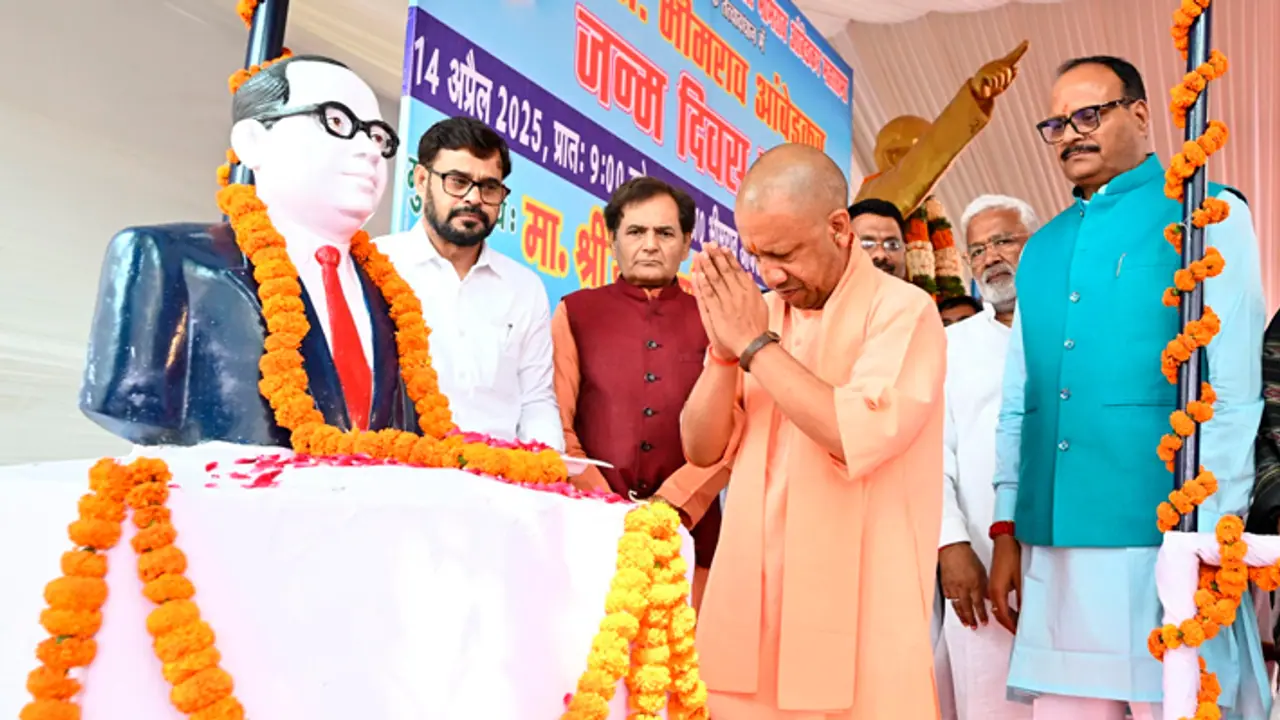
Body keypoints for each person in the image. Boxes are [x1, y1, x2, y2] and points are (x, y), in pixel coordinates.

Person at [986, 56, 1268, 719]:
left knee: (1172, 703)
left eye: (1089, 115)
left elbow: (1233, 390)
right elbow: (1019, 400)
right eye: (1056, 123)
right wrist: (1005, 528)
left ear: (1140, 115)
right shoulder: (1042, 248)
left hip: (1161, 534)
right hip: (1053, 541)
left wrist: (1209, 535)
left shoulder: (1208, 214)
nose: (1070, 134)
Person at [675, 143, 946, 719]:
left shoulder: (904, 311)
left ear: (839, 227)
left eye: (785, 253)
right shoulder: (763, 313)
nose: (771, 274)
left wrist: (751, 345)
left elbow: (852, 435)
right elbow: (700, 449)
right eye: (756, 255)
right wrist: (723, 355)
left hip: (857, 622)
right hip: (751, 616)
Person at [80, 55, 418, 446]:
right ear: (253, 142)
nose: (370, 150)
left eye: (377, 136)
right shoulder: (167, 259)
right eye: (337, 121)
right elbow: (131, 407)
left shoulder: (393, 299)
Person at [551, 176, 727, 608]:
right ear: (612, 240)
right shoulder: (575, 312)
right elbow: (555, 418)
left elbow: (733, 428)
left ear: (687, 243)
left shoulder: (717, 320)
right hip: (590, 525)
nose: (650, 244)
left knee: (679, 667)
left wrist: (672, 504)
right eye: (636, 232)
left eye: (665, 233)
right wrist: (602, 499)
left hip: (691, 537)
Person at [375, 118, 562, 449]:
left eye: (489, 187)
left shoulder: (524, 287)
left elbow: (536, 399)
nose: (474, 199)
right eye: (458, 181)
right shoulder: (377, 263)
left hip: (497, 481)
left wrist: (545, 472)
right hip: (395, 469)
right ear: (421, 180)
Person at [938, 194, 1039, 720]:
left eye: (1004, 241)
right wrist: (951, 546)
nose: (991, 257)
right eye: (977, 249)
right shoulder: (949, 345)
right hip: (978, 562)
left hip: (1065, 562)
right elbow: (934, 455)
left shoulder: (1070, 334)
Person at [848, 198, 907, 279]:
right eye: (867, 244)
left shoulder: (917, 292)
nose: (880, 255)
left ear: (904, 250)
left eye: (892, 244)